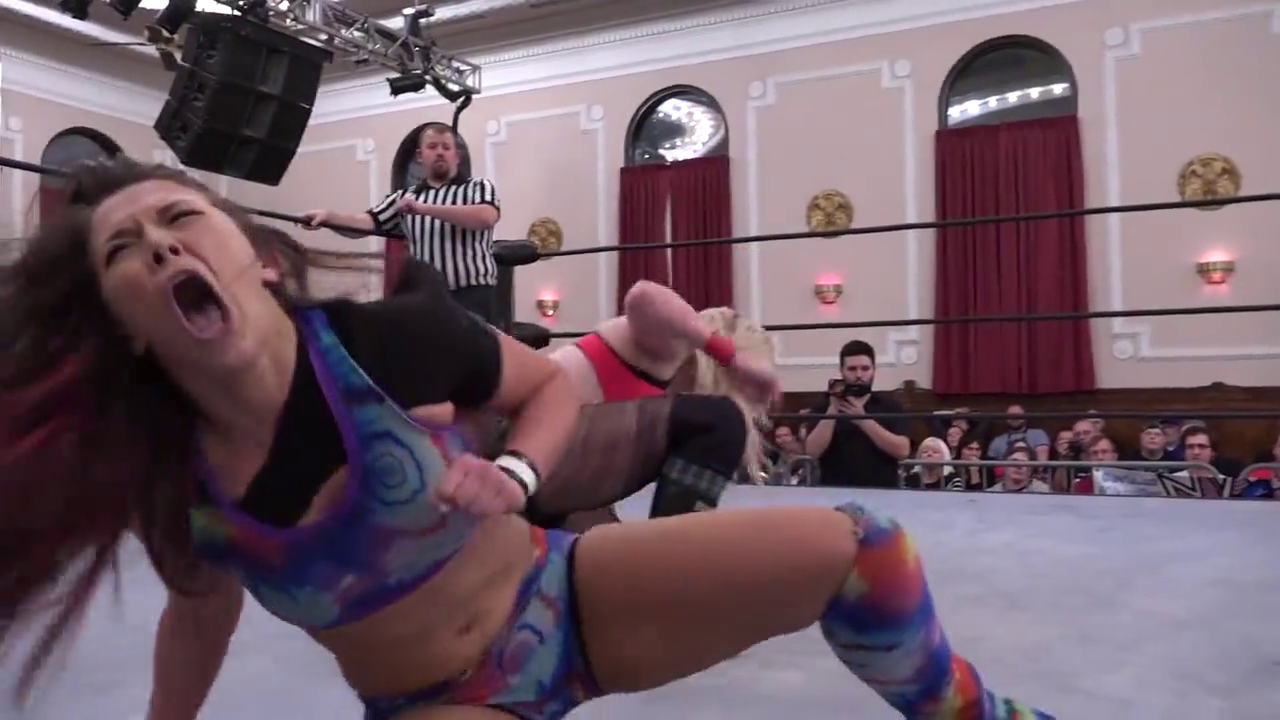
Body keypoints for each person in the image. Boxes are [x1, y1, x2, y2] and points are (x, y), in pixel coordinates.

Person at [0, 158, 1052, 720]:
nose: (161, 245)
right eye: (126, 249)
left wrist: (515, 470)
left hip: (572, 597)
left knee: (863, 546)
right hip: (433, 697)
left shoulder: (385, 340)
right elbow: (197, 617)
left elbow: (546, 384)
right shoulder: (179, 483)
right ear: (123, 327)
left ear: (259, 258)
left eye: (180, 218)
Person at [530, 284, 778, 531]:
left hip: (537, 476)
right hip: (530, 457)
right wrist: (730, 356)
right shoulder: (668, 350)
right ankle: (671, 545)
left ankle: (666, 545)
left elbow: (587, 494)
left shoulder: (654, 400)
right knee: (724, 421)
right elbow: (643, 295)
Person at [300, 122, 502, 322]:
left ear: (456, 156)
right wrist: (328, 217)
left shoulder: (478, 186)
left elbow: (485, 217)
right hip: (429, 298)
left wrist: (424, 209)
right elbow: (365, 223)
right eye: (432, 147)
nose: (440, 152)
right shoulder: (404, 197)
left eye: (446, 147)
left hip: (472, 294)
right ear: (420, 156)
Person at [803, 339, 911, 488]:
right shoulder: (824, 405)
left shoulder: (890, 406)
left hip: (882, 492)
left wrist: (863, 420)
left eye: (865, 369)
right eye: (852, 369)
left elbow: (903, 451)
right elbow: (812, 451)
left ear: (874, 370)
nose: (859, 375)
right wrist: (833, 409)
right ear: (842, 371)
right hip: (834, 491)